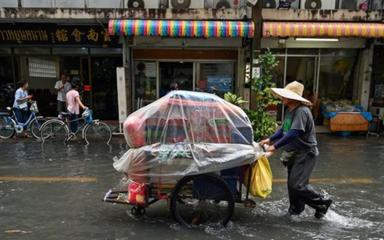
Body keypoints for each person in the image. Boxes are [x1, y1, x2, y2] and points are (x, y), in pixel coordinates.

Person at [260, 81, 332, 219]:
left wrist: (274, 147)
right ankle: (296, 209)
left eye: (285, 96)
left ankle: (322, 202)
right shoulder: (290, 110)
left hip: (305, 153)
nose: (282, 98)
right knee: (292, 186)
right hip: (293, 153)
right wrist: (270, 139)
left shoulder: (301, 111)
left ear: (293, 98)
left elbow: (294, 133)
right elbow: (284, 129)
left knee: (297, 185)